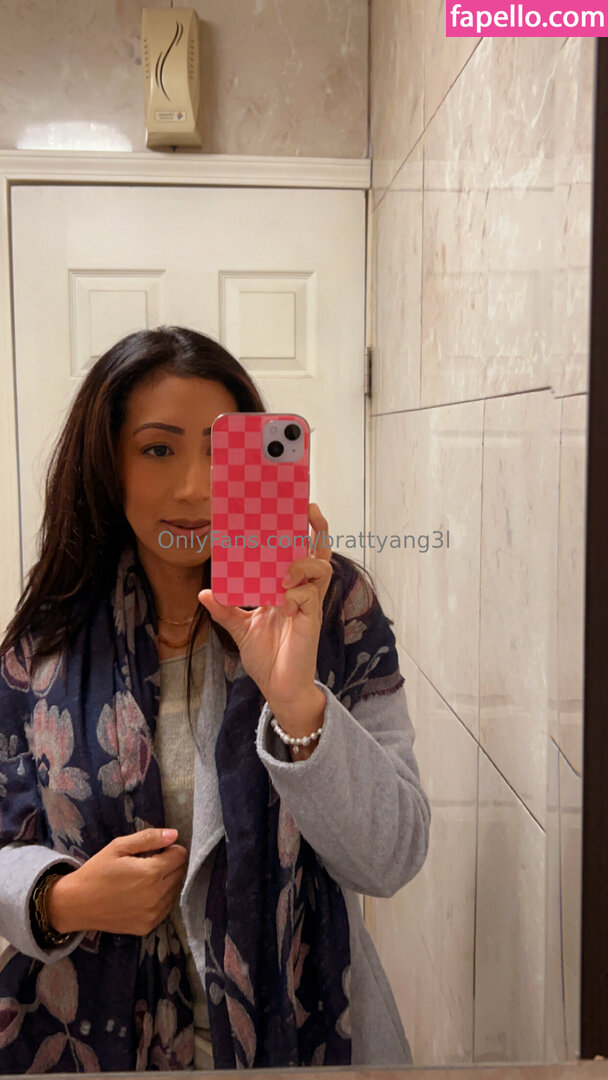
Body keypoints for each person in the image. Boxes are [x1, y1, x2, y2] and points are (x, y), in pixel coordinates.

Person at [0, 326, 430, 1073]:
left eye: (218, 451)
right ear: (107, 464)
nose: (194, 487)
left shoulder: (329, 608)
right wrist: (59, 900)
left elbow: (392, 857)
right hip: (89, 1038)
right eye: (157, 449)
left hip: (303, 1035)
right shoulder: (50, 640)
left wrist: (298, 705)